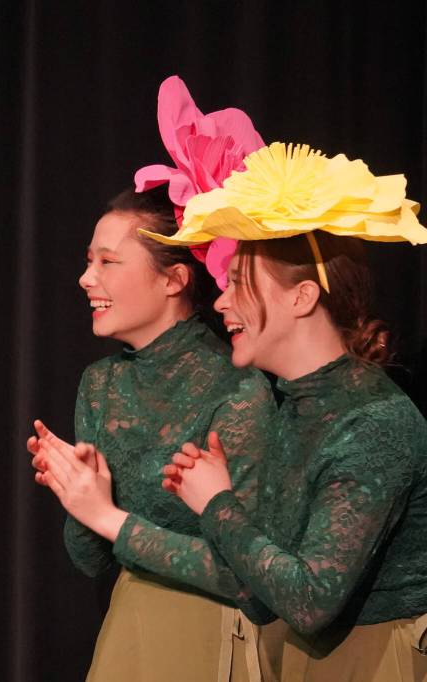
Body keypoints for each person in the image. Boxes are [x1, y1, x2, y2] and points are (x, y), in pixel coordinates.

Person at [28, 77, 276, 682]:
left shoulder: (237, 387)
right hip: (130, 622)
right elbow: (89, 560)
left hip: (218, 631)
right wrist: (81, 498)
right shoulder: (100, 385)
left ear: (174, 279)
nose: (87, 278)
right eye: (89, 260)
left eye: (108, 262)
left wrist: (110, 516)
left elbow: (253, 574)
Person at [150, 141, 427, 681]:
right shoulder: (292, 409)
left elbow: (309, 601)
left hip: (372, 664)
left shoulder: (375, 422)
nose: (222, 302)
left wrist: (218, 505)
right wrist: (223, 506)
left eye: (237, 283)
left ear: (302, 298)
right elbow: (263, 600)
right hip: (298, 658)